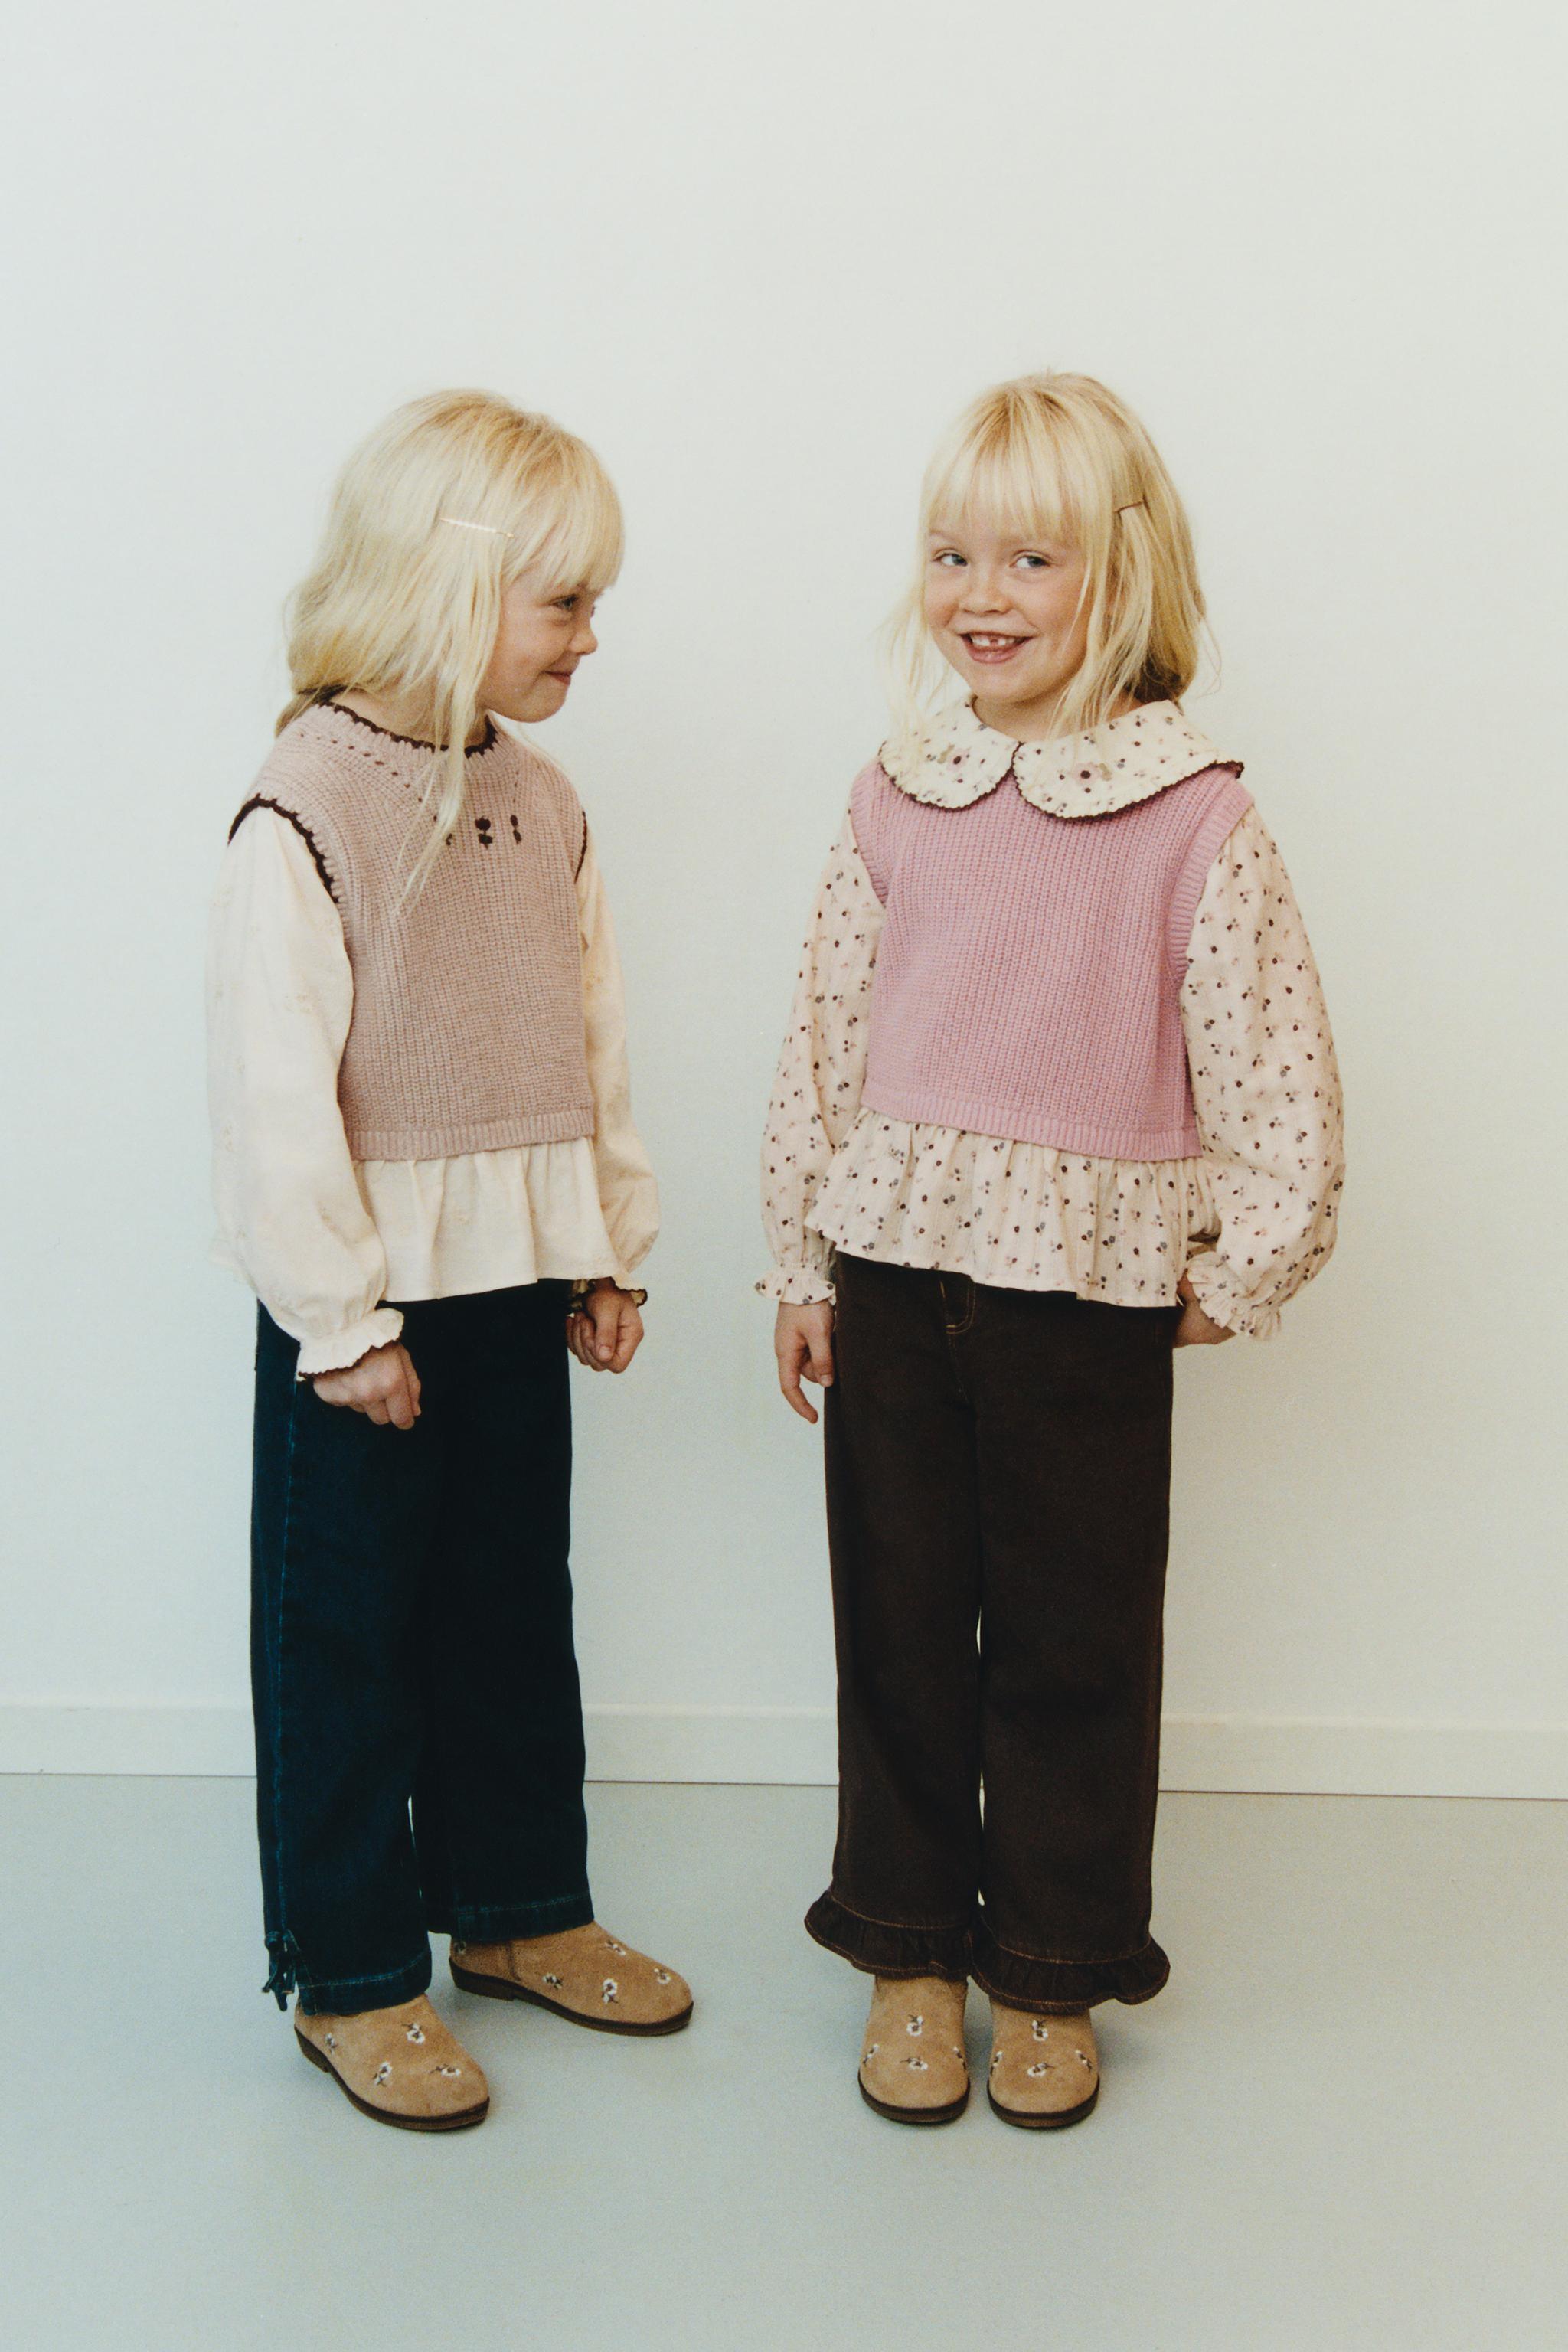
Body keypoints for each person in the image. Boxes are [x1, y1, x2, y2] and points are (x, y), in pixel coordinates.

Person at [760, 372, 1344, 2129]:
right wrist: (800, 1266)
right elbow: (825, 1037)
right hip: (892, 1279)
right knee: (896, 1630)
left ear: (1123, 574)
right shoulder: (897, 791)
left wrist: (1233, 1271)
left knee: (1075, 1644)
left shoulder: (1195, 818)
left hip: (1085, 1302)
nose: (980, 594)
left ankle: (1050, 1962)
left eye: (1030, 558)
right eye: (952, 554)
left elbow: (1275, 1066)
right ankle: (906, 1946)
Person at [207, 390, 691, 2134]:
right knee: (345, 1634)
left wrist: (605, 1245)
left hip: (512, 1287)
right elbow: (271, 1088)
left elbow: (588, 1037)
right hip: (364, 1316)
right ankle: (349, 1971)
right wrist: (338, 1321)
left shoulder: (544, 803)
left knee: (508, 1606)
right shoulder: (307, 808)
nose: (590, 637)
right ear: (448, 585)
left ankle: (517, 1906)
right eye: (565, 601)